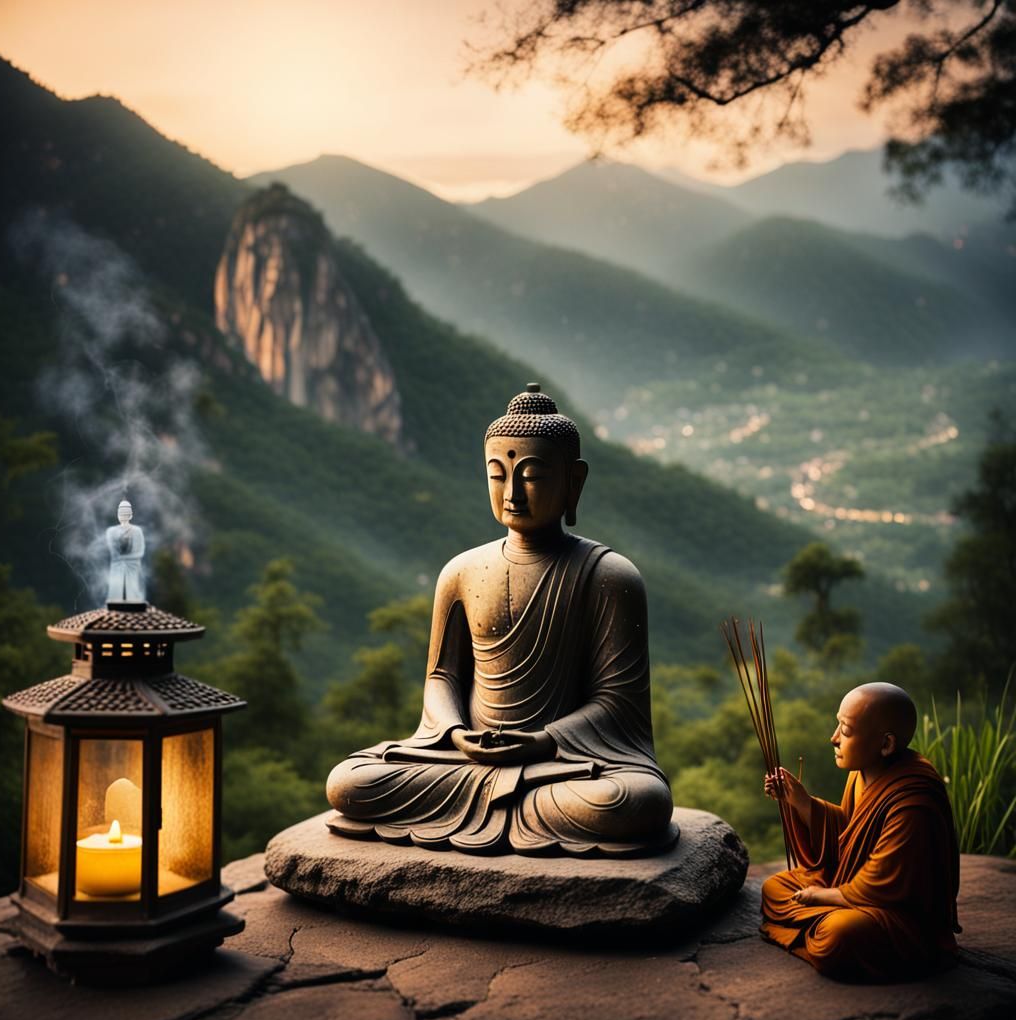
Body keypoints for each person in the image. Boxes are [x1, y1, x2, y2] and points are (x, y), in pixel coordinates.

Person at [326, 384, 676, 855]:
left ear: (574, 483)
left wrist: (541, 742)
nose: (512, 492)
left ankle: (498, 811)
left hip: (561, 764)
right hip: (462, 762)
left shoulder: (609, 576)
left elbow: (618, 704)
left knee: (633, 801)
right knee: (350, 783)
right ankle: (507, 811)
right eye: (498, 474)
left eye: (531, 475)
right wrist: (454, 734)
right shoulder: (460, 572)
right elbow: (441, 678)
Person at [760, 682, 960, 980]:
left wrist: (820, 897)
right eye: (837, 725)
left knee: (837, 935)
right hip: (852, 891)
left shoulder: (913, 799)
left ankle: (815, 939)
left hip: (899, 915)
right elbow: (850, 837)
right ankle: (816, 934)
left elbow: (883, 884)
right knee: (773, 888)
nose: (834, 738)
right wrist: (801, 802)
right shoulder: (862, 772)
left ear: (886, 745)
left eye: (846, 730)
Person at [106, 499, 146, 603]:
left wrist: (125, 558)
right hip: (117, 564)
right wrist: (122, 559)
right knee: (115, 586)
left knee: (133, 586)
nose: (123, 516)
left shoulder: (137, 531)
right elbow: (113, 553)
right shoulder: (111, 531)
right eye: (121, 514)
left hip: (132, 565)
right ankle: (115, 599)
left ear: (130, 515)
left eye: (126, 514)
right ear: (118, 515)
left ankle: (133, 599)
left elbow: (140, 552)